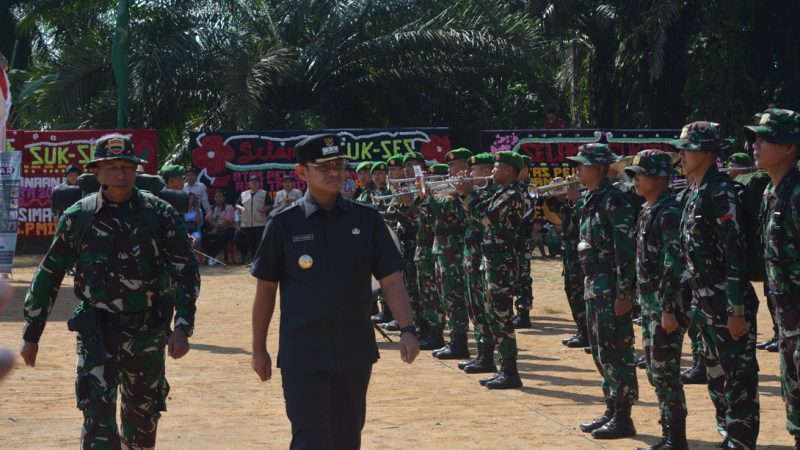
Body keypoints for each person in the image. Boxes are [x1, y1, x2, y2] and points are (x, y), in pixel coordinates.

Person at [20, 133, 200, 449]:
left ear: (137, 171)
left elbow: (185, 272)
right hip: (97, 334)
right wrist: (31, 333)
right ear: (97, 172)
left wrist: (183, 326)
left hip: (147, 333)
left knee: (142, 426)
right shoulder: (78, 217)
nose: (120, 173)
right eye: (112, 166)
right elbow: (49, 275)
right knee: (97, 425)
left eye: (127, 166)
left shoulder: (159, 214)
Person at [249, 134, 419, 449]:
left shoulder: (365, 219)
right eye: (324, 166)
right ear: (302, 172)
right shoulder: (284, 223)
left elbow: (391, 279)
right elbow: (266, 290)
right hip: (303, 351)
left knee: (347, 436)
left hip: (354, 351)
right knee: (309, 437)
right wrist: (259, 349)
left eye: (339, 165)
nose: (334, 173)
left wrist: (407, 329)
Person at [671, 121, 760, 449]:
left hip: (725, 299)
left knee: (738, 376)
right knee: (715, 375)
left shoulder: (719, 191)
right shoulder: (695, 190)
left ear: (707, 152)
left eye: (687, 149)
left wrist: (736, 309)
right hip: (703, 299)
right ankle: (728, 434)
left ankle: (741, 440)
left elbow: (736, 253)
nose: (681, 155)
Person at [567, 143, 638, 439]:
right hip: (594, 284)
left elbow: (625, 251)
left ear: (597, 168)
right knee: (600, 350)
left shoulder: (614, 200)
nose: (577, 169)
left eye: (582, 165)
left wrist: (624, 294)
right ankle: (611, 408)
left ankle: (623, 417)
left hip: (610, 287)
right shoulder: (590, 199)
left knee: (615, 350)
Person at [626, 150, 689, 449]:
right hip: (650, 303)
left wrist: (667, 309)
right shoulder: (647, 209)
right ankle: (668, 434)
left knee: (665, 371)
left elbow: (672, 264)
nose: (635, 179)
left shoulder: (669, 213)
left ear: (661, 178)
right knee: (654, 370)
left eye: (641, 174)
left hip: (665, 305)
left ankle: (675, 439)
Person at [748, 108, 800, 448]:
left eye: (765, 139)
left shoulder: (796, 195)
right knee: (793, 388)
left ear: (789, 147)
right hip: (785, 315)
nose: (756, 145)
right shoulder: (772, 192)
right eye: (755, 138)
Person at [458, 151, 525, 389]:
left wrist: (468, 194)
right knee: (492, 314)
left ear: (508, 171)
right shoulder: (499, 193)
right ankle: (503, 367)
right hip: (492, 259)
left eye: (497, 168)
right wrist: (467, 196)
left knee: (501, 316)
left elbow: (484, 217)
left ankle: (510, 371)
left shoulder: (512, 195)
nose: (493, 171)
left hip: (502, 260)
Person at [428, 148, 472, 360]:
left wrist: (428, 196)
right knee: (446, 296)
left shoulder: (465, 190)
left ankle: (459, 343)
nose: (449, 170)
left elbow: (449, 215)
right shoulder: (451, 189)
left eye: (452, 166)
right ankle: (455, 340)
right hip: (442, 247)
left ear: (464, 167)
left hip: (454, 248)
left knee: (455, 297)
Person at [458, 153, 497, 373]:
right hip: (471, 254)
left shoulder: (492, 194)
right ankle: (482, 354)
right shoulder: (479, 193)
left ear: (484, 172)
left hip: (484, 255)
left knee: (484, 308)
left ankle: (488, 356)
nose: (470, 175)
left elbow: (483, 218)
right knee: (474, 306)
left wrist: (468, 195)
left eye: (473, 171)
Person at [512, 154, 534, 328]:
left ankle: (524, 312)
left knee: (523, 276)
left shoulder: (528, 188)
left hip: (522, 237)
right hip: (510, 238)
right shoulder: (511, 187)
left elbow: (525, 211)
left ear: (525, 170)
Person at [235, 175, 270, 264]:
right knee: (251, 243)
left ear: (259, 183)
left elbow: (270, 205)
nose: (254, 184)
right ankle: (253, 261)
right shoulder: (243, 194)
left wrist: (265, 209)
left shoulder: (264, 193)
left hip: (260, 223)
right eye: (252, 182)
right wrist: (241, 208)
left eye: (256, 182)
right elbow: (236, 204)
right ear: (249, 184)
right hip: (247, 223)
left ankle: (261, 261)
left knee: (261, 243)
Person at [203, 190, 235, 265]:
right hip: (214, 229)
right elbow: (207, 218)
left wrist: (216, 228)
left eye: (220, 196)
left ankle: (212, 256)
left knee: (221, 236)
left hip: (226, 229)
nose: (218, 198)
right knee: (205, 236)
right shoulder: (212, 208)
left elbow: (228, 220)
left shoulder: (229, 207)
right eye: (216, 197)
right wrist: (215, 227)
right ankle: (214, 255)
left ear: (224, 198)